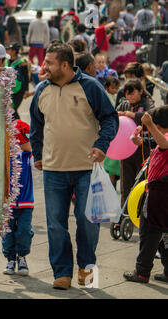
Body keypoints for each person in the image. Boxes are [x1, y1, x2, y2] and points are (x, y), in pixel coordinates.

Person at [29, 43, 119, 290]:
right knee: (55, 223)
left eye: (49, 63)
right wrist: (38, 153)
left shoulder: (90, 86)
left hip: (86, 168)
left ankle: (87, 267)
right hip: (53, 170)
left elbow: (110, 118)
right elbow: (36, 126)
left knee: (87, 220)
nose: (43, 67)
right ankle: (62, 272)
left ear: (66, 65)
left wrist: (102, 145)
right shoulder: (42, 90)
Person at [123, 106, 168, 283]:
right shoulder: (161, 137)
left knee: (149, 232)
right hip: (160, 192)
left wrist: (149, 125)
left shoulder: (165, 137)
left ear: (158, 124)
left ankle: (141, 271)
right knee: (164, 236)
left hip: (159, 193)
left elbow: (164, 143)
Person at [117, 79, 155, 217]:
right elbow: (114, 117)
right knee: (126, 184)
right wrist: (118, 115)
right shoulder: (123, 105)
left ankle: (140, 212)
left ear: (140, 91)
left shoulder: (147, 103)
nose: (129, 97)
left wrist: (133, 115)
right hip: (125, 150)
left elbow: (152, 116)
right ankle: (125, 213)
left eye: (132, 93)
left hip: (142, 149)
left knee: (141, 183)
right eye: (127, 94)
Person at [2, 119, 34, 276]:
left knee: (24, 231)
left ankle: (22, 257)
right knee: (7, 233)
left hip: (26, 202)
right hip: (8, 203)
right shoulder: (5, 155)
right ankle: (10, 259)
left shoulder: (29, 156)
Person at [6, 43, 30, 119]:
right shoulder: (7, 61)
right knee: (11, 110)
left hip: (19, 90)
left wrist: (26, 90)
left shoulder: (21, 62)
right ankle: (17, 127)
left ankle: (20, 127)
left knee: (13, 110)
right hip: (10, 89)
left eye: (9, 49)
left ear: (13, 51)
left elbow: (26, 77)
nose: (7, 51)